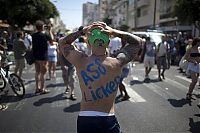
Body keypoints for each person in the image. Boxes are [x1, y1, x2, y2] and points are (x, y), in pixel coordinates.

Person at [59, 22, 142, 133]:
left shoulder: (80, 60)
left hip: (86, 119)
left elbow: (63, 42)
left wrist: (82, 30)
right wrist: (114, 31)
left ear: (88, 43)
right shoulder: (117, 62)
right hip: (108, 118)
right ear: (108, 43)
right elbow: (137, 42)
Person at [32, 20, 52, 94]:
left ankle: (37, 88)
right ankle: (42, 89)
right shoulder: (45, 34)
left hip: (35, 56)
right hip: (43, 56)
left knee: (37, 72)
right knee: (43, 73)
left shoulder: (33, 35)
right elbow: (51, 41)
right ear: (42, 27)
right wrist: (50, 30)